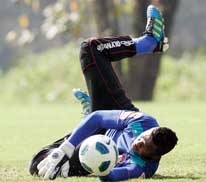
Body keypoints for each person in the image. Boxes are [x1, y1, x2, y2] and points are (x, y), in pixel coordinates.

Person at [29, 4, 178, 181]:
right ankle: (150, 41)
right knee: (91, 48)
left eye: (144, 146)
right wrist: (65, 149)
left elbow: (111, 177)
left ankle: (85, 118)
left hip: (94, 141)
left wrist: (101, 164)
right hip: (115, 112)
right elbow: (98, 118)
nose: (139, 141)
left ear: (155, 156)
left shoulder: (139, 167)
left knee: (38, 164)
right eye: (143, 137)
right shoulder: (145, 122)